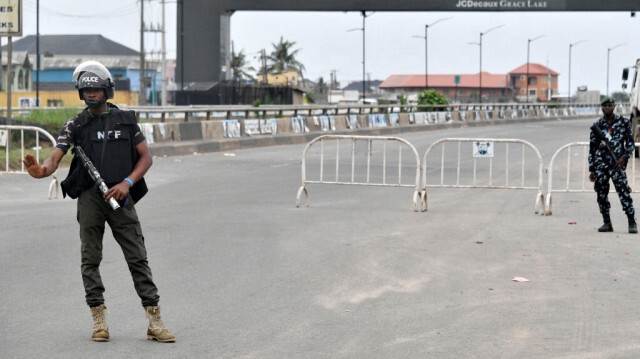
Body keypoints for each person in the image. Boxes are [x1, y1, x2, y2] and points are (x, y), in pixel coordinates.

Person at [22, 61, 175, 342]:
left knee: (137, 258)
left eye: (96, 89)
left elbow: (146, 157)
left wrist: (126, 184)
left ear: (107, 90)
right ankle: (99, 320)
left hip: (121, 196)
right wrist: (42, 171)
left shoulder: (126, 120)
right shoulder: (75, 125)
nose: (91, 94)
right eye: (86, 90)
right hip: (90, 197)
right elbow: (56, 155)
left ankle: (154, 321)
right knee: (90, 259)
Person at [588, 96, 637, 234]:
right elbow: (592, 149)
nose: (607, 108)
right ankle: (607, 223)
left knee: (624, 193)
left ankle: (632, 222)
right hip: (601, 166)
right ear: (602, 108)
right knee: (601, 195)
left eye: (610, 105)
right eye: (605, 106)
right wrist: (592, 169)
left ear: (614, 106)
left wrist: (624, 158)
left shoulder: (623, 122)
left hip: (617, 165)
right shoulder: (597, 126)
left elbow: (630, 144)